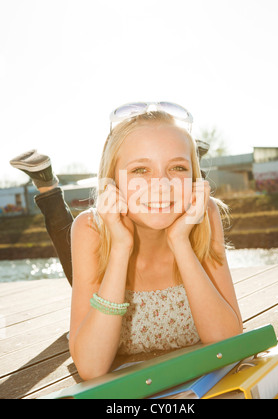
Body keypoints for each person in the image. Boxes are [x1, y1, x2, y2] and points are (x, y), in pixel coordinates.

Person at [10, 102, 243, 381]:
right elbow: (92, 369)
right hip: (106, 251)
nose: (162, 184)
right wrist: (120, 248)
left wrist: (180, 241)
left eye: (178, 167)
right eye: (140, 170)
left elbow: (228, 343)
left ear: (195, 177)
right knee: (75, 237)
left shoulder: (204, 216)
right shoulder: (92, 230)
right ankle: (47, 183)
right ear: (112, 182)